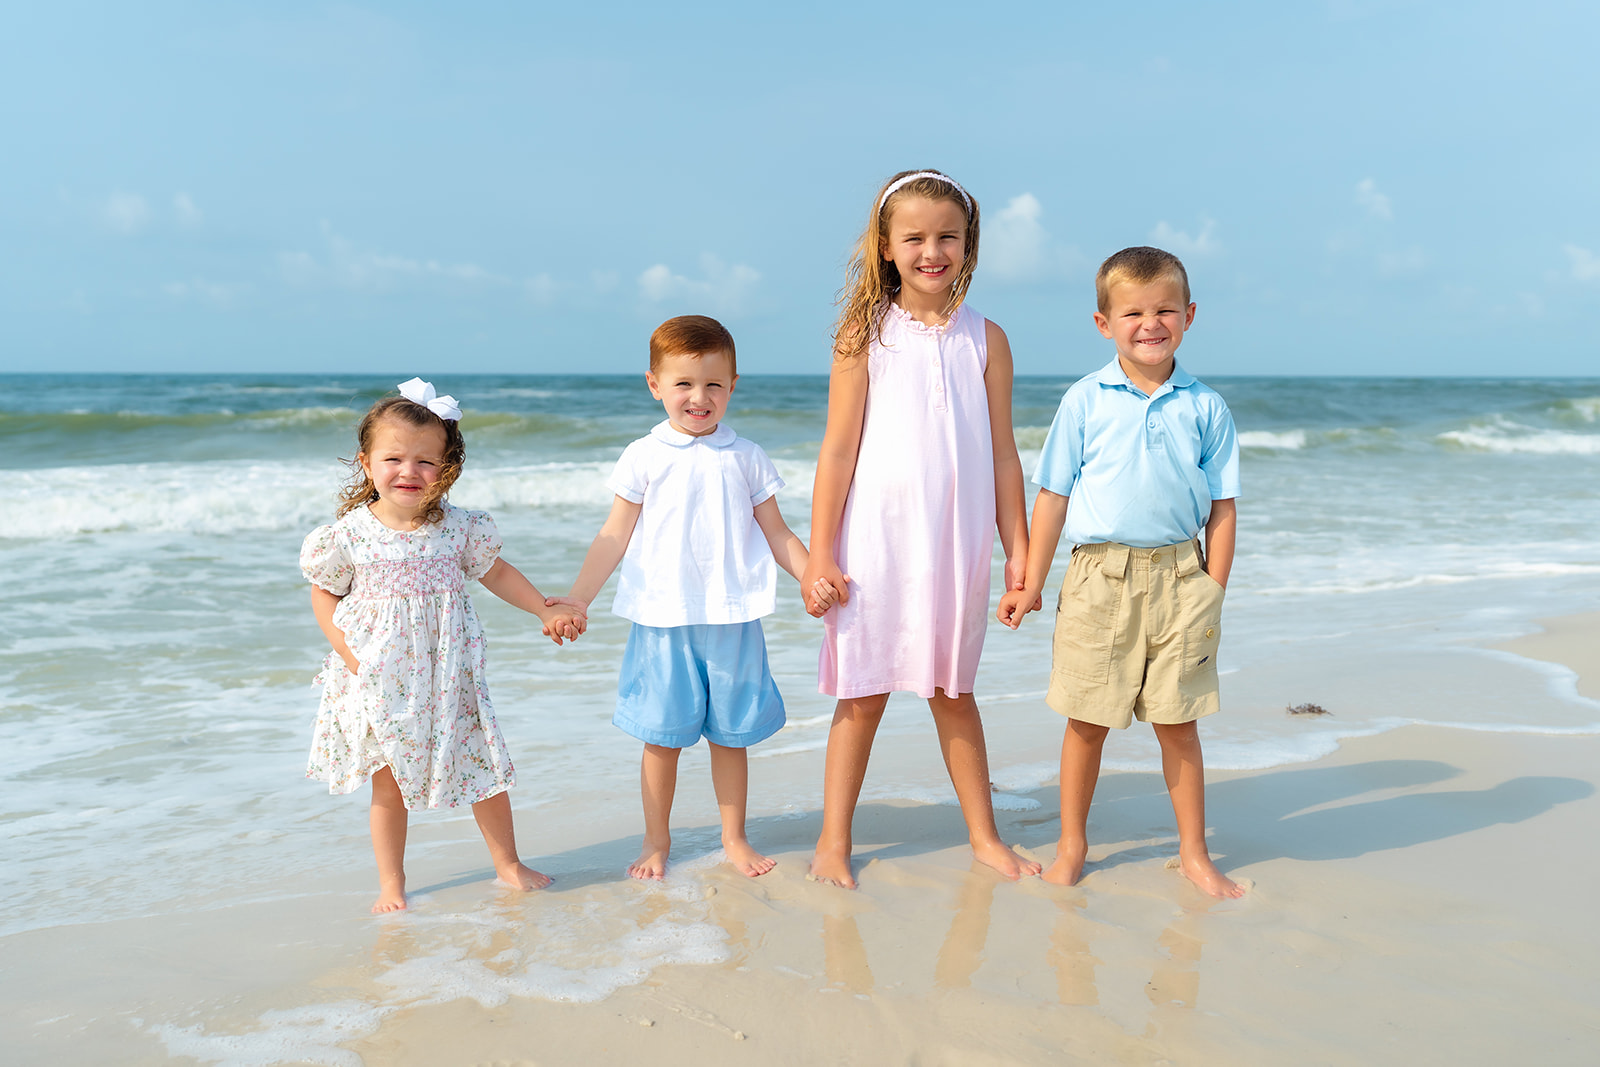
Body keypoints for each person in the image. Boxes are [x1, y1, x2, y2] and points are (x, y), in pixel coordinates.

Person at [801, 169, 1042, 889]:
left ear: (968, 245)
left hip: (955, 548)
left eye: (948, 236)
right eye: (915, 237)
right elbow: (837, 451)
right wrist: (819, 552)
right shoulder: (863, 336)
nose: (931, 250)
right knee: (862, 694)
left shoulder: (987, 340)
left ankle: (984, 837)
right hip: (872, 548)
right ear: (885, 246)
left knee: (952, 692)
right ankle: (833, 841)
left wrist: (1020, 551)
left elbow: (1003, 454)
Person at [545, 316, 835, 881]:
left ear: (733, 385)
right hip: (662, 618)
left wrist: (808, 575)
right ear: (655, 385)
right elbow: (614, 534)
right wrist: (578, 599)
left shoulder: (746, 455)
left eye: (713, 385)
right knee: (662, 737)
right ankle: (657, 841)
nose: (698, 398)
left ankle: (734, 837)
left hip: (733, 617)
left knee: (731, 737)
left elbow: (777, 532)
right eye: (683, 384)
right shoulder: (643, 455)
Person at [997, 246, 1247, 898]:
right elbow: (1051, 498)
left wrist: (1212, 589)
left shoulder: (1206, 407)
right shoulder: (1084, 401)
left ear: (1188, 316)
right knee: (1086, 719)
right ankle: (1072, 844)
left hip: (1180, 578)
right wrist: (1029, 583)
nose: (1150, 323)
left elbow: (1223, 508)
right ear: (1104, 322)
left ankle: (1194, 852)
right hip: (1097, 578)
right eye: (1132, 311)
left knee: (1178, 722)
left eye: (1165, 309)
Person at [301, 378, 579, 913]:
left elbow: (496, 574)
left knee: (482, 768)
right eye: (394, 458)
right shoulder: (348, 535)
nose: (409, 472)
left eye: (427, 462)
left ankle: (508, 863)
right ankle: (391, 883)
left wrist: (545, 607)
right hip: (376, 676)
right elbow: (324, 594)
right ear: (366, 462)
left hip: (449, 674)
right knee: (388, 784)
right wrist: (349, 654)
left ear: (446, 467)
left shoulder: (459, 529)